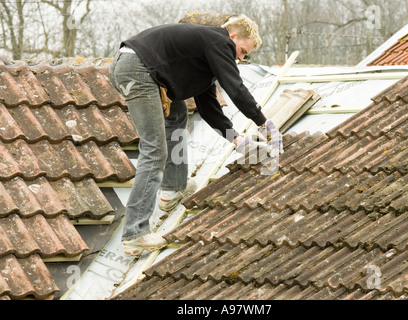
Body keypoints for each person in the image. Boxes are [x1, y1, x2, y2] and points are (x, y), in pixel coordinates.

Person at [109, 14, 283, 256]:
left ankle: (173, 188)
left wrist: (237, 140)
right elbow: (235, 88)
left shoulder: (205, 53)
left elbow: (208, 106)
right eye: (242, 51)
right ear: (232, 37)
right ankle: (135, 234)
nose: (241, 59)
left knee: (178, 113)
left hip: (136, 67)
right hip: (137, 71)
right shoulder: (218, 41)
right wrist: (264, 123)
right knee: (154, 149)